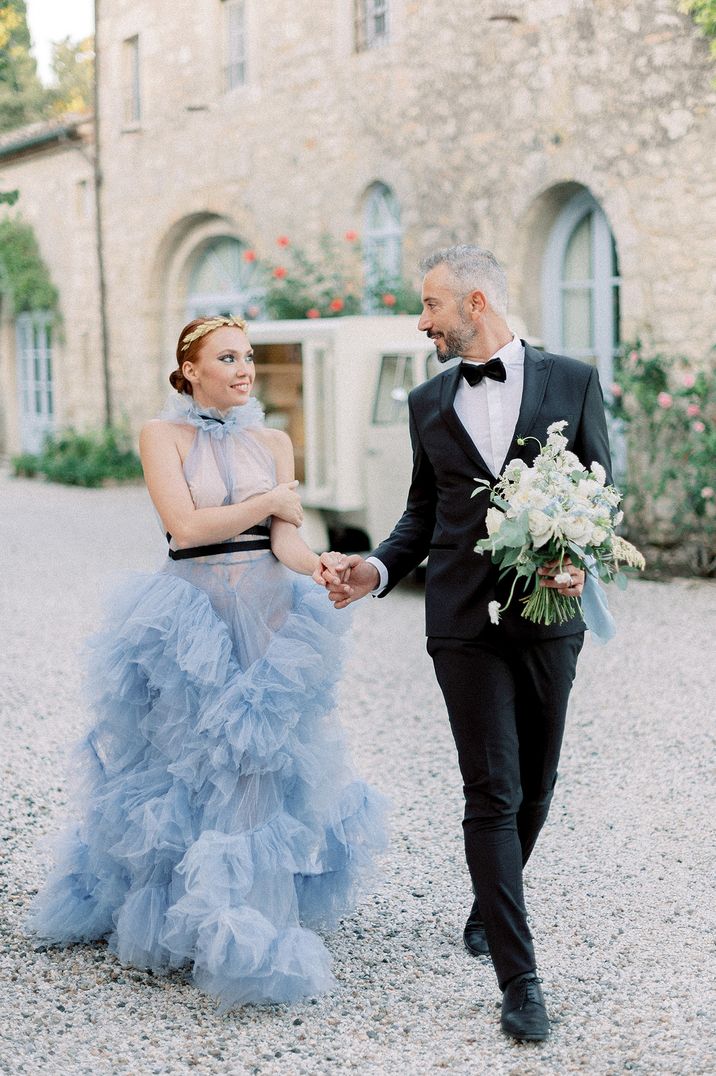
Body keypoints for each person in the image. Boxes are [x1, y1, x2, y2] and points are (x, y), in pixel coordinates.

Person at [26, 315, 386, 1009]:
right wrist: (268, 501)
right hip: (190, 618)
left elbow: (285, 541)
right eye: (228, 357)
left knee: (254, 762)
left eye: (247, 356)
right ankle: (177, 912)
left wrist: (323, 566)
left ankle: (245, 920)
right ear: (190, 368)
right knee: (182, 761)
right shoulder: (162, 436)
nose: (244, 368)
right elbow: (184, 526)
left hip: (269, 611)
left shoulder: (273, 440)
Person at [320, 246, 612, 1041]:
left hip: (549, 620)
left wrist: (579, 563)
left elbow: (602, 496)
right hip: (458, 622)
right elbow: (423, 514)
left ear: (475, 302)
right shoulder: (425, 401)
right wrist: (374, 571)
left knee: (537, 785)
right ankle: (521, 983)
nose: (423, 322)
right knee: (491, 791)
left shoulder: (574, 382)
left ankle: (490, 904)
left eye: (430, 306)